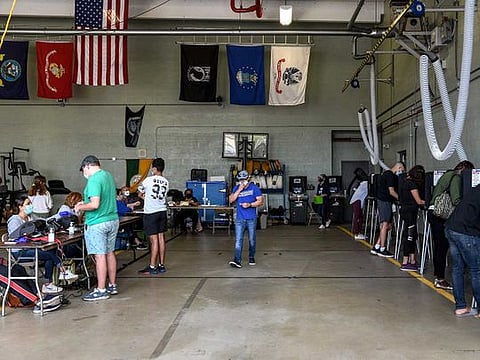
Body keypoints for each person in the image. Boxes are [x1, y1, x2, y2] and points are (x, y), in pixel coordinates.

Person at [7, 195, 77, 294]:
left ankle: (49, 283)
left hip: (31, 248)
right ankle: (62, 272)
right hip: (19, 252)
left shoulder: (30, 217)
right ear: (20, 206)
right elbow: (14, 237)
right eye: (28, 204)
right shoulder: (15, 220)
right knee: (49, 255)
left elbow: (44, 221)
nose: (30, 206)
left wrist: (59, 215)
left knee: (52, 250)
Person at [74, 155, 119, 301]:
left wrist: (80, 206)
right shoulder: (108, 176)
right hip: (112, 219)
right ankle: (112, 285)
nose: (84, 174)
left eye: (83, 170)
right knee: (110, 253)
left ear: (87, 166)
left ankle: (101, 289)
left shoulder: (93, 179)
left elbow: (94, 204)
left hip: (97, 222)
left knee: (100, 256)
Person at [428, 160, 474, 290]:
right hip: (441, 215)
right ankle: (440, 279)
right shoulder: (456, 178)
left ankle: (439, 277)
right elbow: (456, 199)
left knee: (439, 246)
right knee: (442, 247)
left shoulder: (447, 175)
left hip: (434, 212)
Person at [444, 184, 480, 318]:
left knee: (457, 268)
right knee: (476, 270)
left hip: (451, 228)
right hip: (466, 232)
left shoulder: (476, 189)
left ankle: (460, 307)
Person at [137, 158, 169, 275]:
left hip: (151, 212)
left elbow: (139, 192)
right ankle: (161, 265)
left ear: (154, 168)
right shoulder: (166, 181)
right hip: (162, 211)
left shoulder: (148, 180)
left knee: (153, 240)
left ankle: (152, 266)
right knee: (161, 238)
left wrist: (144, 197)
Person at [228, 170, 263, 268]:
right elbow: (231, 200)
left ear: (248, 178)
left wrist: (250, 205)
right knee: (238, 240)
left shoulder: (254, 188)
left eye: (244, 179)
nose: (242, 181)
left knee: (252, 239)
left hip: (251, 218)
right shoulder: (236, 188)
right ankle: (237, 260)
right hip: (240, 218)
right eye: (240, 180)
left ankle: (251, 257)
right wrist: (239, 189)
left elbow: (260, 202)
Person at [370, 162, 406, 258]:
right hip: (385, 201)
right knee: (385, 224)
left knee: (387, 226)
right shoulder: (390, 175)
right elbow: (391, 191)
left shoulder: (386, 174)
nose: (401, 172)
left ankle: (377, 246)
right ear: (399, 167)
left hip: (384, 201)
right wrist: (401, 199)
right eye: (401, 170)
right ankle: (382, 248)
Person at [398, 165, 425, 271]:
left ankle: (412, 260)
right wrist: (430, 202)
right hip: (410, 212)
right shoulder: (412, 184)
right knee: (409, 237)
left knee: (412, 235)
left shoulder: (404, 182)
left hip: (405, 210)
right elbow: (418, 201)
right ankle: (405, 262)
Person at [116, 186, 147, 250]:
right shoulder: (118, 201)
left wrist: (132, 205)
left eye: (128, 190)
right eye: (125, 190)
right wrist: (130, 206)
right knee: (128, 226)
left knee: (131, 224)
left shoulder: (130, 199)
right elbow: (125, 209)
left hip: (127, 217)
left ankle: (136, 240)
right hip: (120, 219)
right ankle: (136, 241)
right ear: (119, 193)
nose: (127, 191)